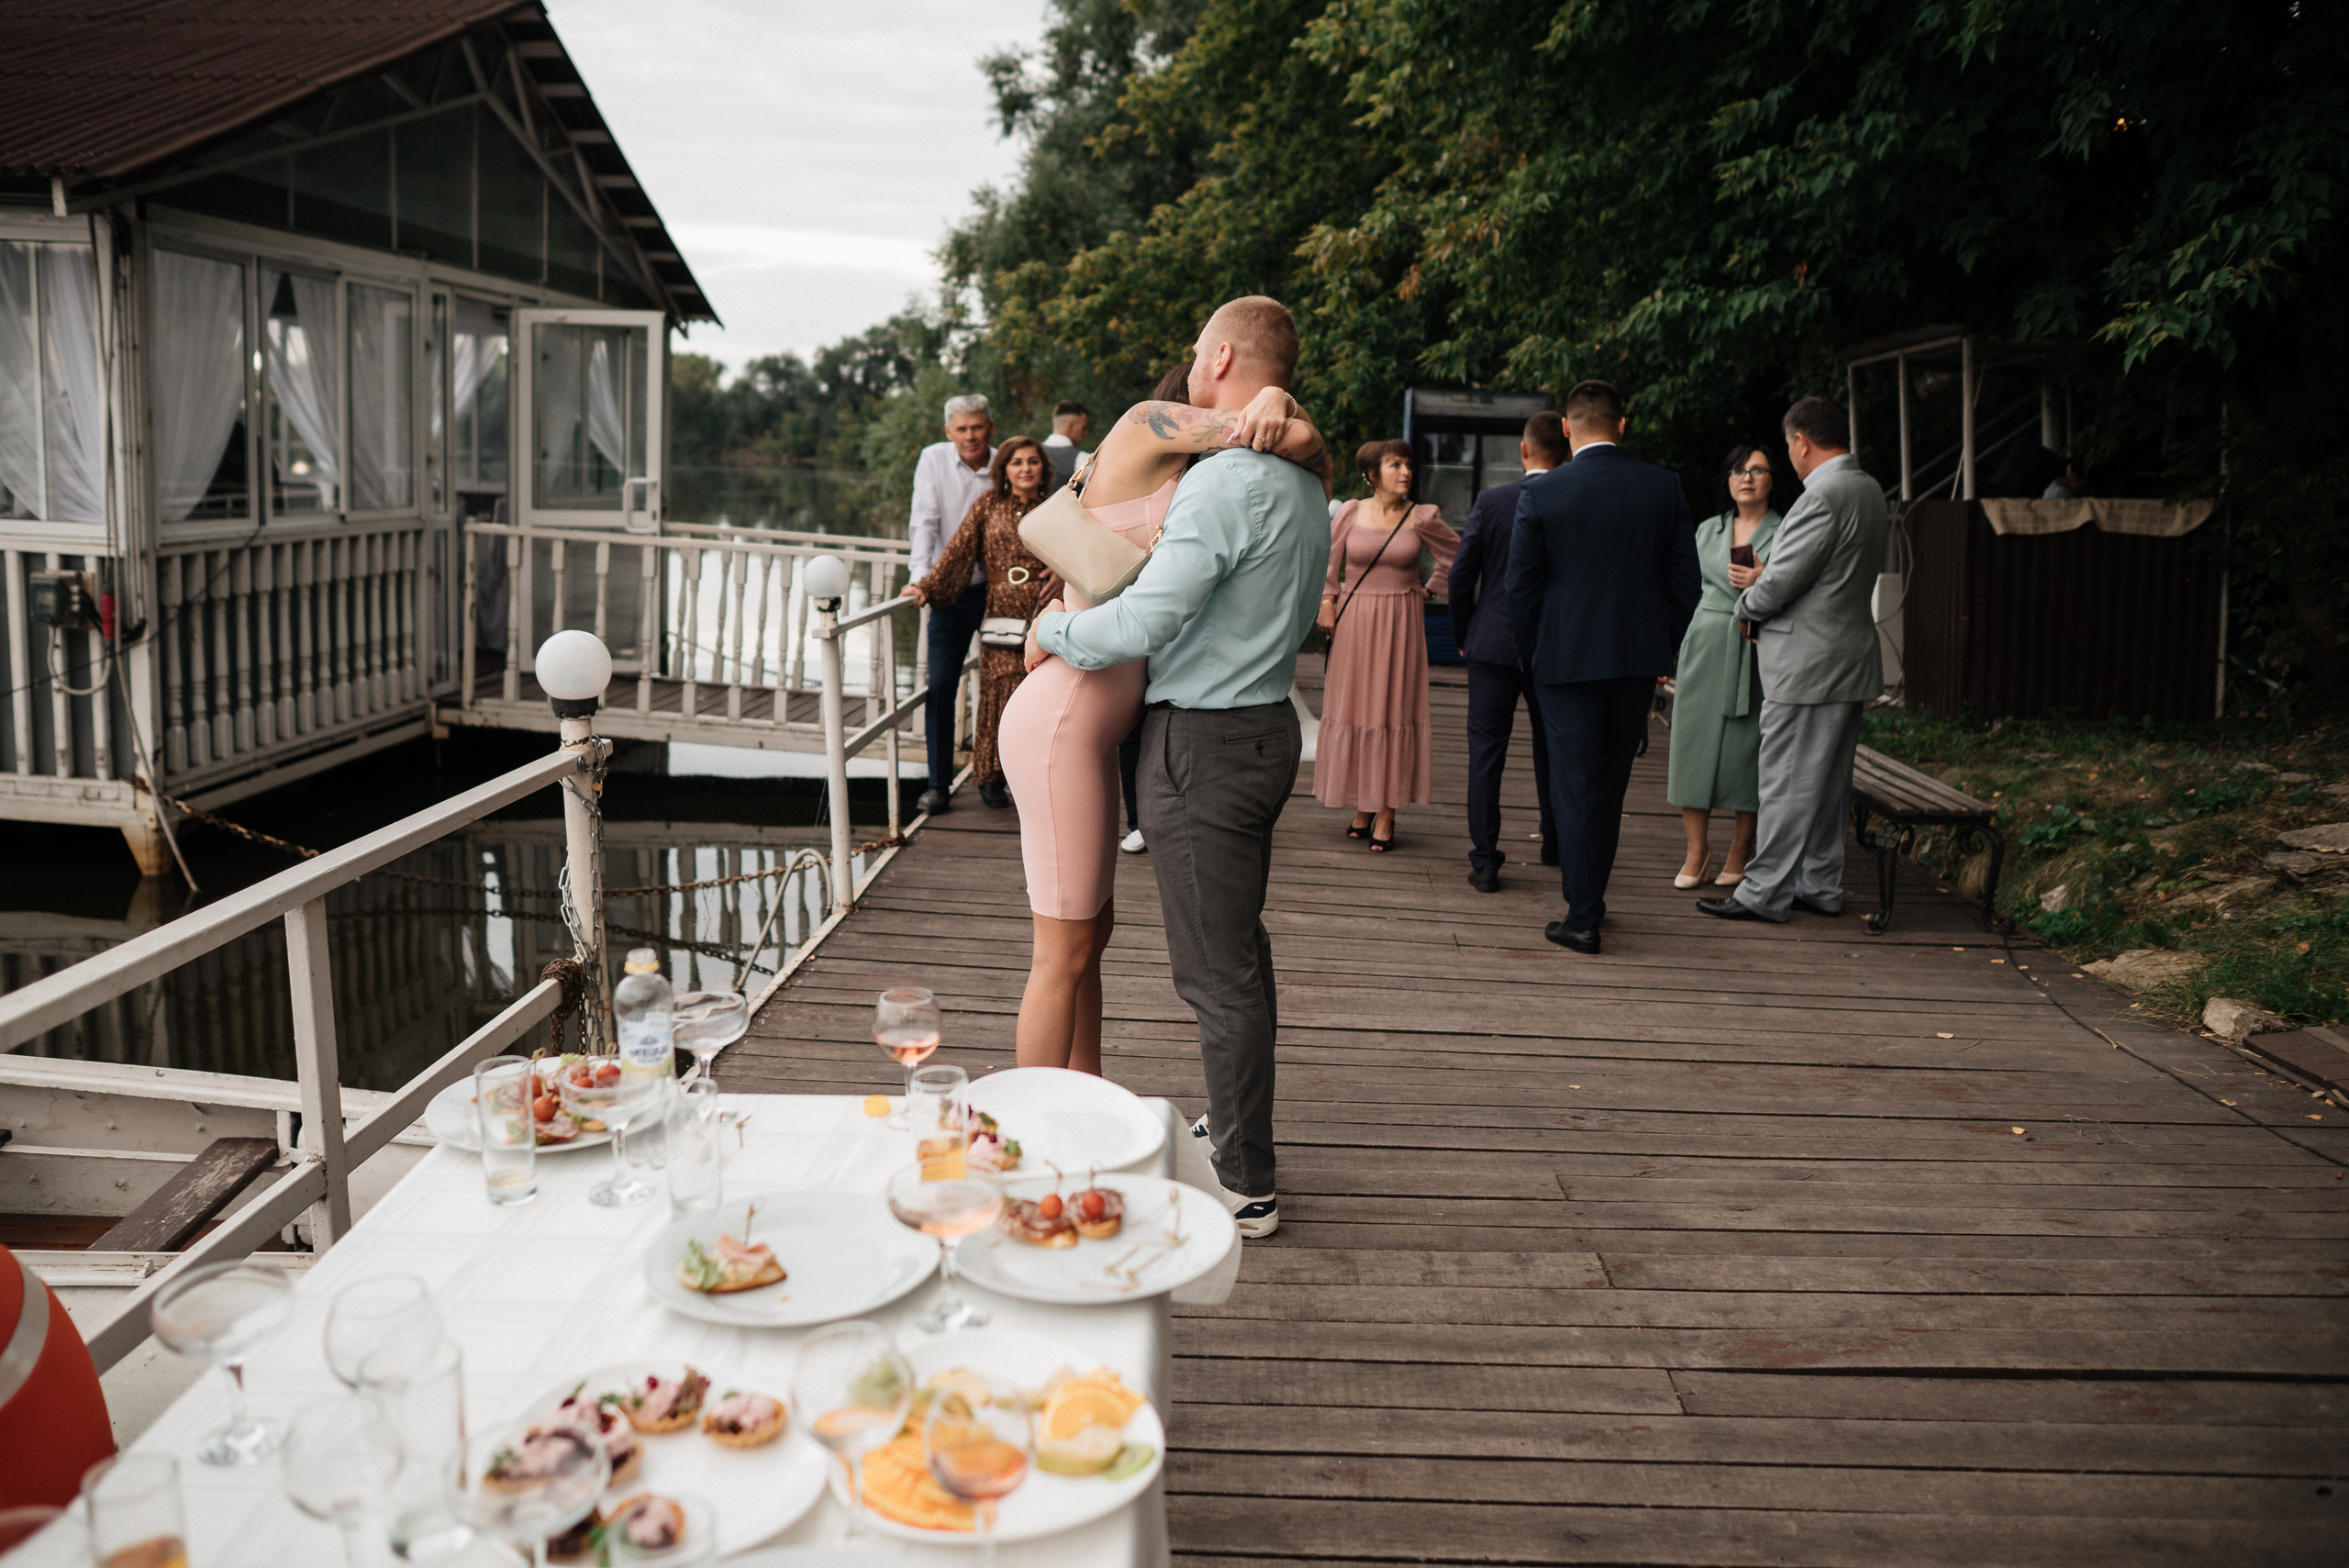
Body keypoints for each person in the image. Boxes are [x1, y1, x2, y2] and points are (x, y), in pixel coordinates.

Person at [1027, 296, 1333, 1237]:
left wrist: (1050, 628)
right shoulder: (1299, 483)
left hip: (1206, 742)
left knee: (1216, 973)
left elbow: (1145, 621)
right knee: (1239, 955)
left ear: (1224, 356)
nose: (1191, 363)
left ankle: (1243, 1179)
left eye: (1198, 351)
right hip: (1261, 727)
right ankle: (1235, 1130)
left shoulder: (1226, 481)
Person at [1505, 379, 1699, 955]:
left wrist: (1532, 657)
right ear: (1623, 423)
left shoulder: (1543, 494)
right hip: (1635, 661)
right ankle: (1591, 899)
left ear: (1566, 428)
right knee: (1609, 786)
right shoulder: (1662, 487)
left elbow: (1521, 590)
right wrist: (1658, 650)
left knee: (1574, 784)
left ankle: (1584, 914)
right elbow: (1686, 586)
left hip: (1563, 662)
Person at [1700, 396, 1889, 924]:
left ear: (1802, 441)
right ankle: (1820, 885)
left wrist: (1746, 604)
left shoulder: (1822, 496)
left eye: (1788, 446)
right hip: (1849, 658)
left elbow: (1783, 579)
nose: (1790, 456)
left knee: (1783, 782)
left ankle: (1762, 893)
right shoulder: (1869, 488)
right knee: (1828, 785)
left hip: (1806, 662)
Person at [1313, 439, 1458, 851]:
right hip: (1355, 619)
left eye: (1409, 465)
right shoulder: (1350, 512)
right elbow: (1328, 559)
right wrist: (1327, 601)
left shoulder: (1421, 516)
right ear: (1371, 474)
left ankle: (1388, 809)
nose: (1406, 472)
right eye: (1395, 464)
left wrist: (1430, 591)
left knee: (1393, 708)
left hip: (1401, 622)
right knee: (1356, 707)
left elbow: (1457, 556)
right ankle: (1362, 803)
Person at [1449, 410, 1566, 892]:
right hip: (1554, 647)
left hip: (1491, 644)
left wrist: (1464, 632)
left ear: (1524, 450)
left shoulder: (1493, 501)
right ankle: (1555, 842)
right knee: (1555, 750)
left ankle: (1485, 859)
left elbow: (1461, 575)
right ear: (1567, 452)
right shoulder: (1572, 502)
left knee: (1486, 752)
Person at [903, 437, 1054, 806]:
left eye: (1032, 461)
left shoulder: (1056, 507)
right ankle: (991, 778)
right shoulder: (988, 505)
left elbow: (1078, 548)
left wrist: (1063, 572)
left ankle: (1036, 778)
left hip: (1045, 607)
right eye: (1017, 462)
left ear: (1042, 468)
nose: (1026, 468)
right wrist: (926, 586)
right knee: (997, 693)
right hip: (1001, 604)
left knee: (1037, 694)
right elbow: (958, 551)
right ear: (1003, 469)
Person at [1665, 443, 1785, 888]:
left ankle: (1741, 846)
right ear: (1728, 480)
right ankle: (1698, 851)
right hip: (1706, 640)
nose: (1747, 477)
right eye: (1738, 470)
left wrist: (1763, 579)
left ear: (1773, 479)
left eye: (1757, 469)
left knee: (1746, 749)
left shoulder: (1786, 529)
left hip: (1757, 644)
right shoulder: (1707, 531)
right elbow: (1684, 588)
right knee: (1691, 745)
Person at [1118, 363, 1201, 858]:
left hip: (1159, 594)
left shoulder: (1199, 463)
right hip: (1147, 591)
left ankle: (1150, 815)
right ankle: (1143, 816)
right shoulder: (1155, 441)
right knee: (1144, 711)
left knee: (1151, 711)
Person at [907, 394, 997, 814]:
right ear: (948, 432)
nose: (970, 436)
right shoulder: (934, 460)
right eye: (961, 429)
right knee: (941, 686)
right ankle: (938, 784)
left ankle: (992, 779)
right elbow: (924, 521)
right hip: (947, 593)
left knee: (1002, 688)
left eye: (976, 427)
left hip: (997, 594)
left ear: (989, 428)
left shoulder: (1005, 465)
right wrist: (919, 580)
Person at [1041, 399, 1092, 491]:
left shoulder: (1030, 455)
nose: (1086, 433)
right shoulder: (1083, 460)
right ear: (1070, 426)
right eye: (1083, 427)